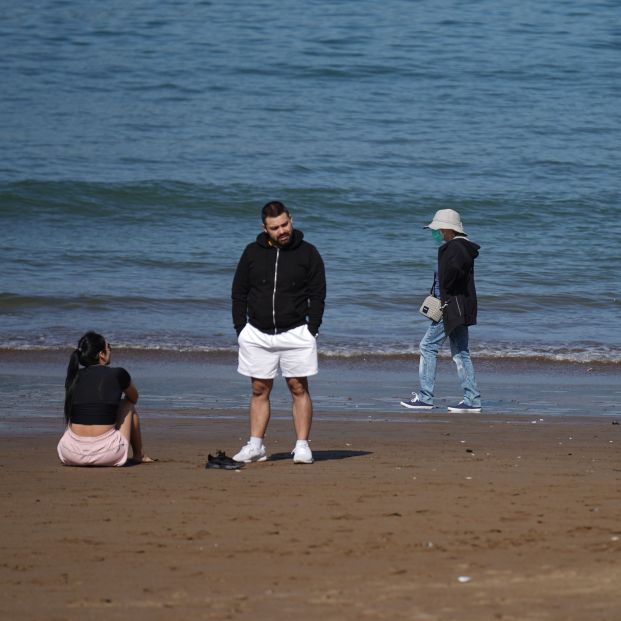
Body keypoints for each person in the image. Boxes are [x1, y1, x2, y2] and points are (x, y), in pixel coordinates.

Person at [231, 201, 326, 464]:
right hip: (257, 333)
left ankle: (302, 446)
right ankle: (256, 445)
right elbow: (239, 292)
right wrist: (241, 329)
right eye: (275, 228)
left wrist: (312, 329)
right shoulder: (252, 252)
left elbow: (318, 294)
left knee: (298, 387)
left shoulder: (308, 253)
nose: (282, 231)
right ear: (265, 228)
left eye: (285, 224)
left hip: (296, 332)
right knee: (259, 388)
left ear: (291, 220)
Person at [400, 208, 482, 412]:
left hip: (450, 308)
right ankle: (472, 399)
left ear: (447, 230)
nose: (435, 233)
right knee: (461, 352)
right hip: (460, 307)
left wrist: (443, 294)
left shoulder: (454, 248)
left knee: (427, 347)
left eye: (437, 230)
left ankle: (425, 398)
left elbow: (451, 276)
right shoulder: (464, 247)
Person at [57, 331, 155, 466]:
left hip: (70, 453)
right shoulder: (118, 373)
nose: (111, 351)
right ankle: (139, 455)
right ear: (101, 354)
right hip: (107, 454)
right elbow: (134, 398)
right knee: (127, 404)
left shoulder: (73, 376)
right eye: (109, 348)